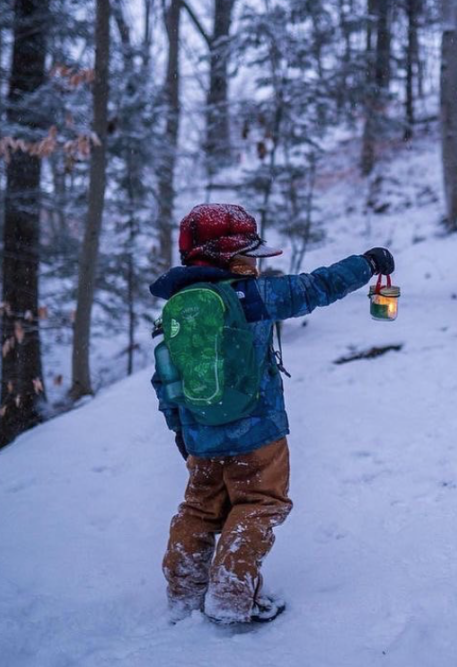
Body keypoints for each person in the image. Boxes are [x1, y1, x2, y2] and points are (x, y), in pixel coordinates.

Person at [150, 203, 395, 624]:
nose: (255, 265)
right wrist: (368, 263)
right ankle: (231, 595)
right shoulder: (252, 296)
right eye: (249, 256)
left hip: (199, 434)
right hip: (258, 431)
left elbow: (166, 375)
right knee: (258, 504)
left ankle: (184, 592)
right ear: (230, 257)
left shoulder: (179, 306)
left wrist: (180, 430)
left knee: (199, 509)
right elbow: (318, 286)